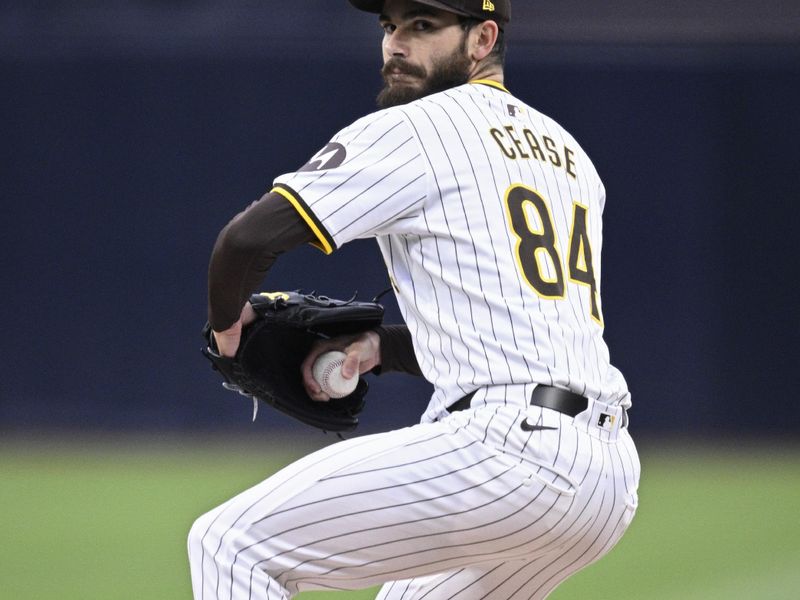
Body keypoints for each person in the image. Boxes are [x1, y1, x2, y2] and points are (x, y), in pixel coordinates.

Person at [188, 0, 641, 598]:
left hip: (508, 453)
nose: (396, 43)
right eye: (389, 25)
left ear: (483, 38)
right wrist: (380, 347)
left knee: (229, 544)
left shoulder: (420, 127)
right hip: (603, 479)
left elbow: (244, 242)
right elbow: (521, 330)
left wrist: (229, 334)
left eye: (422, 26)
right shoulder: (572, 158)